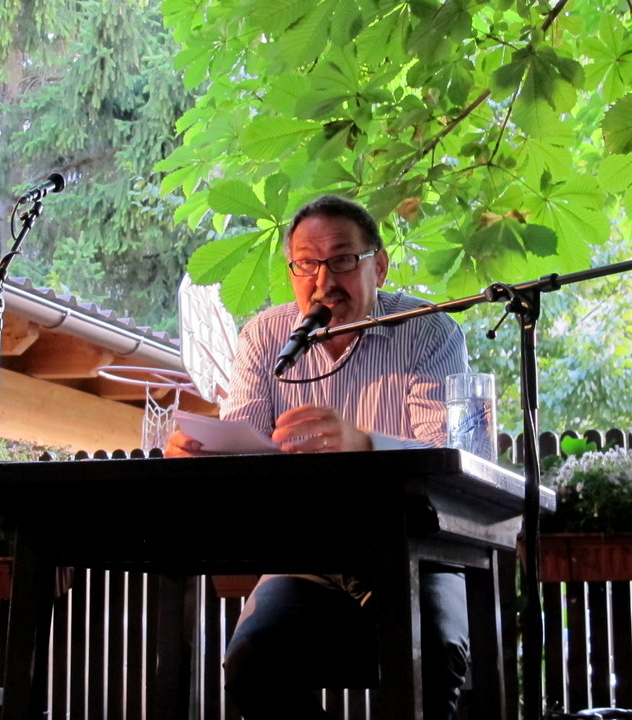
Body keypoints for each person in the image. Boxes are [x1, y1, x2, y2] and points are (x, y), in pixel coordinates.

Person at [166, 194, 471, 719]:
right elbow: (245, 446)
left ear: (378, 264)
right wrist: (204, 456)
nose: (324, 280)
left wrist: (366, 444)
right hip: (305, 563)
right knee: (251, 664)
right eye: (307, 263)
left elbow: (446, 454)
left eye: (343, 260)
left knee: (433, 657)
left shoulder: (428, 331)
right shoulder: (265, 336)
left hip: (415, 556)